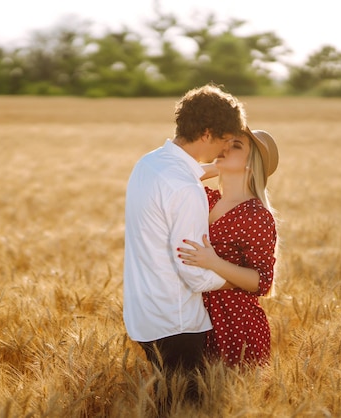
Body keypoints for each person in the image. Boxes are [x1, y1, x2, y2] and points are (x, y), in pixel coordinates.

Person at [123, 83, 248, 408]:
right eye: (224, 140)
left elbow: (181, 180)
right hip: (176, 322)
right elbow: (195, 276)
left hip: (144, 316)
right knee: (184, 410)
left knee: (166, 405)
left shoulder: (148, 164)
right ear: (207, 133)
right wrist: (239, 278)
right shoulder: (186, 190)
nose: (223, 150)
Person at [177, 127, 279, 368]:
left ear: (251, 163)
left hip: (235, 325)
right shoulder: (206, 199)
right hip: (194, 317)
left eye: (236, 146)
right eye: (226, 142)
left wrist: (213, 262)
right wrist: (216, 166)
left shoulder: (256, 215)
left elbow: (262, 281)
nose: (224, 147)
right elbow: (178, 177)